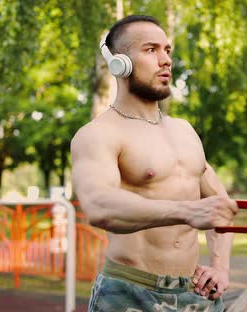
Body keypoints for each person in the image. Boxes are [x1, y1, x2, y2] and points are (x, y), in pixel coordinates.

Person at [70, 15, 238, 312]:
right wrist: (187, 211)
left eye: (167, 50)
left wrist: (219, 268)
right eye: (151, 50)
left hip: (194, 294)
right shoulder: (97, 135)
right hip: (130, 293)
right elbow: (99, 205)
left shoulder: (184, 131)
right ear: (120, 63)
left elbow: (219, 207)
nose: (165, 60)